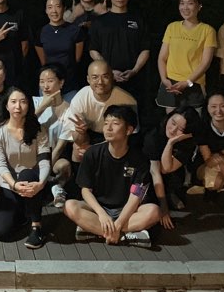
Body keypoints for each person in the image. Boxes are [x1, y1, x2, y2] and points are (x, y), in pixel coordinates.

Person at [65, 105, 169, 247]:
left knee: (154, 212)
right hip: (99, 208)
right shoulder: (92, 153)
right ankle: (124, 236)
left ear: (129, 130)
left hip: (127, 211)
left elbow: (136, 195)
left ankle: (99, 231)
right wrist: (102, 214)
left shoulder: (139, 159)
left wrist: (119, 223)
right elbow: (85, 190)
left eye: (115, 123)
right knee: (69, 206)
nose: (108, 128)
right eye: (106, 123)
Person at [0, 87, 50, 248]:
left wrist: (41, 183)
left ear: (29, 105)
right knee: (1, 232)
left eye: (23, 102)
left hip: (34, 181)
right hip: (10, 184)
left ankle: (36, 226)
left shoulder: (39, 130)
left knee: (26, 174)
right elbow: (0, 164)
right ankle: (23, 212)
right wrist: (14, 184)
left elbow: (44, 160)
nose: (18, 106)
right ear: (6, 106)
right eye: (13, 102)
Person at [58, 61, 137, 165]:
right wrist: (80, 132)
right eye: (95, 77)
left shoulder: (126, 100)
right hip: (91, 134)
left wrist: (95, 149)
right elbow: (77, 139)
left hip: (117, 137)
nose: (100, 82)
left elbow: (130, 134)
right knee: (78, 149)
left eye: (105, 77)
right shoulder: (81, 98)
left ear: (112, 77)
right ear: (88, 79)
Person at [88, 0, 151, 104]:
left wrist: (134, 70)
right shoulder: (99, 22)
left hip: (134, 81)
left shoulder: (138, 20)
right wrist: (109, 71)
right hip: (106, 81)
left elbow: (145, 49)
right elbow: (93, 50)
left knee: (133, 112)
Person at [156, 0, 217, 112]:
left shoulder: (207, 30)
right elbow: (162, 58)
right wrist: (164, 79)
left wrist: (188, 82)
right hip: (171, 83)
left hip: (193, 83)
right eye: (182, 3)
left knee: (193, 120)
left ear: (199, 6)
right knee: (171, 120)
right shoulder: (172, 27)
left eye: (190, 3)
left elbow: (205, 63)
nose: (185, 7)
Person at [143, 107, 202, 212]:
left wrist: (170, 143)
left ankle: (170, 194)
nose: (173, 130)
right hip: (146, 170)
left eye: (181, 129)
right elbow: (155, 172)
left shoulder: (187, 142)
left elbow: (166, 168)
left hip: (168, 173)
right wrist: (163, 204)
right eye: (173, 123)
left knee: (176, 176)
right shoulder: (153, 135)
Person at [33, 64, 71, 208]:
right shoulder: (33, 103)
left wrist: (45, 167)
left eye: (50, 81)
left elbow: (61, 145)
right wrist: (43, 106)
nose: (45, 86)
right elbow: (22, 126)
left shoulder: (69, 109)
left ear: (61, 83)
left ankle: (57, 188)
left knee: (64, 165)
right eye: (41, 81)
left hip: (54, 154)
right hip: (31, 154)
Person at [33, 0, 84, 95]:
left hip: (70, 83)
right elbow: (43, 62)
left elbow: (77, 59)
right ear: (46, 10)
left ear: (64, 8)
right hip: (48, 85)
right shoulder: (41, 32)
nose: (54, 11)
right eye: (50, 7)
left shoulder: (75, 30)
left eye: (58, 6)